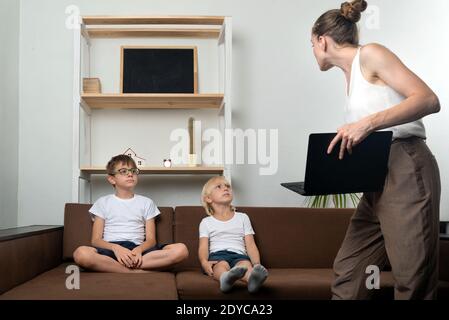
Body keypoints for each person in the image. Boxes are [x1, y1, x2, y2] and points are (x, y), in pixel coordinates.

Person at [311, 0, 441, 299]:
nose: (313, 51)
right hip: (375, 178)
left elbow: (428, 100)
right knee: (350, 269)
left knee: (412, 277)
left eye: (312, 44)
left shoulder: (370, 54)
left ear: (322, 39)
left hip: (405, 166)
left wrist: (367, 124)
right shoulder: (351, 77)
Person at [73, 154, 189, 273]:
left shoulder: (146, 202)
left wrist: (138, 250)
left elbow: (151, 240)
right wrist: (116, 249)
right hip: (111, 250)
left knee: (181, 250)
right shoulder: (102, 202)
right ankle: (133, 271)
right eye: (123, 171)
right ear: (112, 179)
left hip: (139, 250)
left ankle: (122, 268)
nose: (130, 174)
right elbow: (96, 240)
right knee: (81, 254)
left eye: (133, 171)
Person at [198, 176, 269, 293]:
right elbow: (203, 247)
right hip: (218, 256)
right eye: (219, 187)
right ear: (208, 198)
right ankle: (225, 279)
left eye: (228, 186)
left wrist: (257, 265)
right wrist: (204, 262)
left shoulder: (243, 217)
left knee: (245, 265)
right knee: (221, 266)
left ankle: (253, 281)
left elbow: (250, 245)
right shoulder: (206, 222)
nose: (225, 188)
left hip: (239, 255)